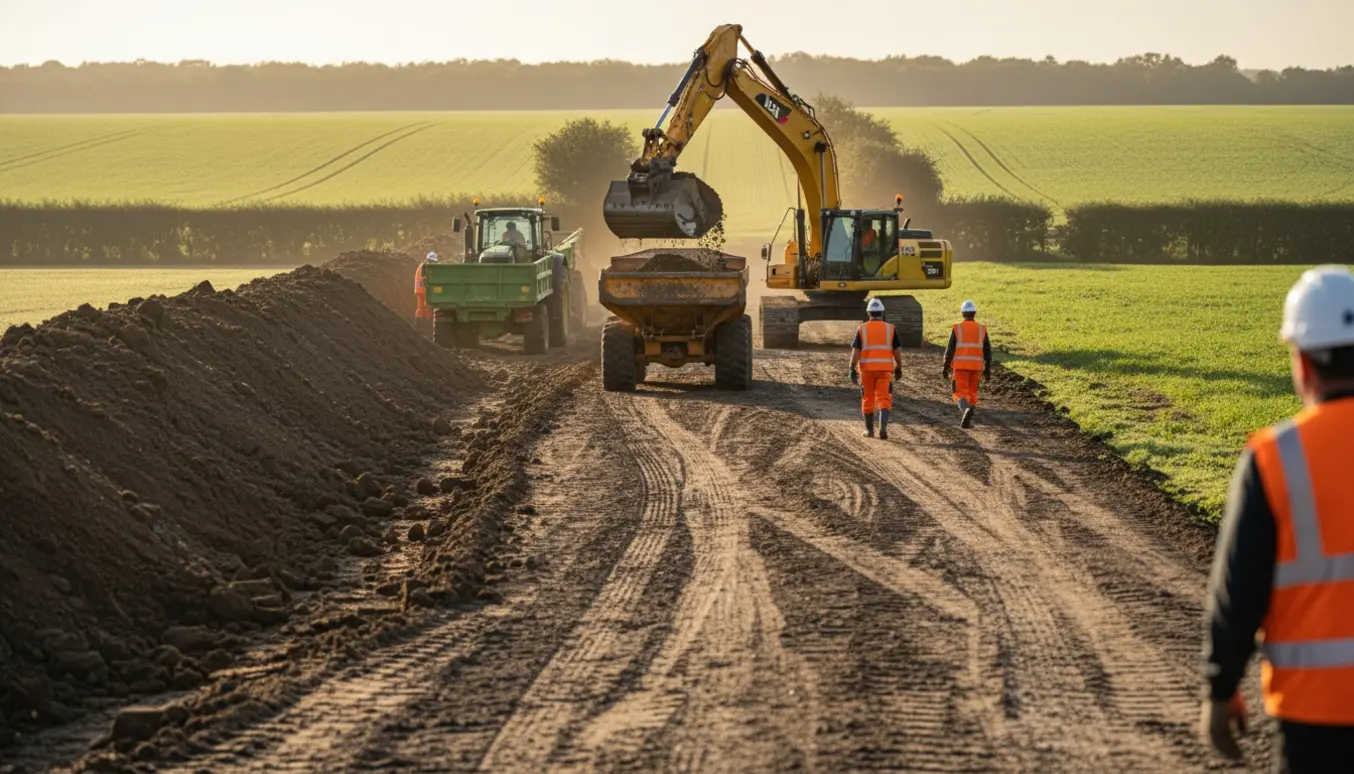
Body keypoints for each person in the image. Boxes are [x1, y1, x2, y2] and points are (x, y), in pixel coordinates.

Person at [1201, 264, 1354, 773]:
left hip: (1316, 715)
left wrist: (1221, 688)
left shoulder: (1276, 457)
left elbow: (1238, 589)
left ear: (1302, 362)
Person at [849, 297, 904, 440]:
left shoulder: (862, 329)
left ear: (868, 313)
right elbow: (896, 350)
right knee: (884, 398)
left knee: (868, 398)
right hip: (885, 370)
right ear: (882, 312)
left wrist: (851, 368)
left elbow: (856, 351)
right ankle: (883, 429)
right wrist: (899, 366)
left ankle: (869, 430)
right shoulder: (890, 329)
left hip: (866, 370)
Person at [942, 300, 992, 429]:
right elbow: (987, 350)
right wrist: (988, 368)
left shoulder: (957, 328)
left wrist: (945, 366)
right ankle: (968, 420)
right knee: (972, 393)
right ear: (974, 313)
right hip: (976, 367)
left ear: (962, 313)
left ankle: (966, 410)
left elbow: (950, 349)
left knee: (959, 392)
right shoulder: (982, 329)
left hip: (960, 366)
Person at [414, 251, 438, 321]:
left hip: (419, 290)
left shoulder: (421, 266)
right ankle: (426, 324)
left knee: (420, 308)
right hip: (424, 291)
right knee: (428, 308)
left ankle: (418, 324)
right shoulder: (426, 267)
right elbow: (426, 279)